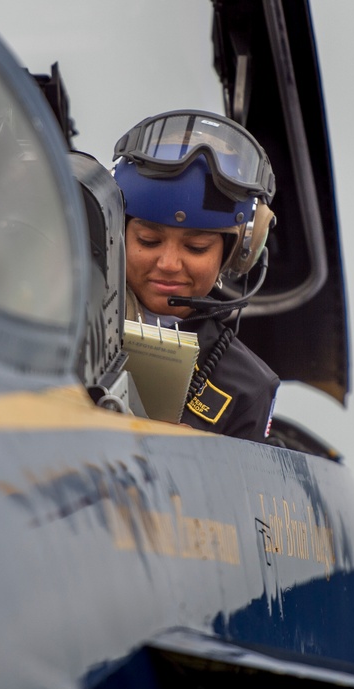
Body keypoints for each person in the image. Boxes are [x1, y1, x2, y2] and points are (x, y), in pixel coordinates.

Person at [113, 110, 279, 443]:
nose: (170, 263)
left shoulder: (248, 388)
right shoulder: (59, 319)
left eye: (197, 247)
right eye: (149, 240)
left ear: (237, 252)